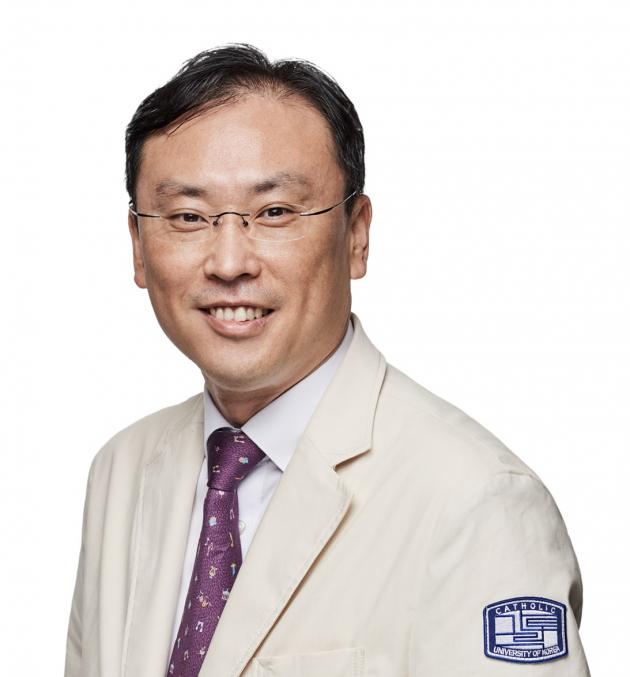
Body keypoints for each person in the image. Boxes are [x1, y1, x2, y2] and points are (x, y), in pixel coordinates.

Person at [64, 43, 591, 677]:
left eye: (274, 212)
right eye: (188, 216)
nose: (229, 263)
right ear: (139, 247)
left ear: (357, 234)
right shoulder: (120, 471)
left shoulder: (478, 502)